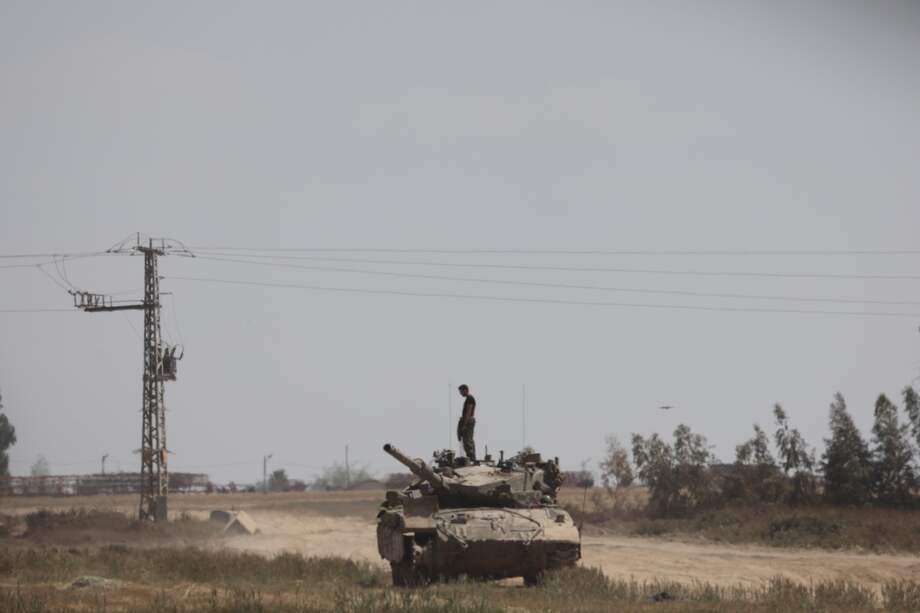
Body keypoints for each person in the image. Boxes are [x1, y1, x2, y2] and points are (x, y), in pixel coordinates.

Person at [456, 384, 477, 461]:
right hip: (467, 421)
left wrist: (464, 425)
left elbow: (469, 412)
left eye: (461, 391)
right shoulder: (468, 399)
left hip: (468, 422)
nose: (460, 393)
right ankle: (471, 457)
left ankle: (472, 458)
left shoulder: (470, 399)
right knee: (467, 440)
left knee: (467, 440)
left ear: (465, 390)